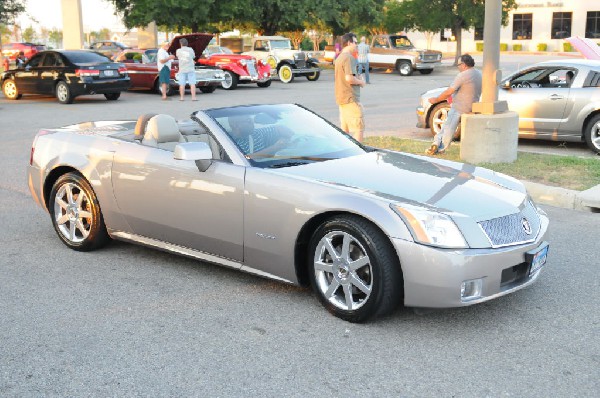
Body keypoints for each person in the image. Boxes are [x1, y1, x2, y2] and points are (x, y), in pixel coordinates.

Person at [426, 54, 482, 155]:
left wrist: (436, 99)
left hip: (460, 107)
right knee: (446, 128)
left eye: (458, 65)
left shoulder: (463, 75)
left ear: (464, 65)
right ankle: (436, 143)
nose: (458, 67)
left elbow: (449, 91)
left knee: (448, 128)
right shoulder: (479, 73)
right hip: (472, 107)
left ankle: (440, 148)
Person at [334, 32, 366, 142]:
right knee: (358, 129)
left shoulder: (339, 58)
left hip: (342, 99)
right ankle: (358, 155)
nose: (356, 45)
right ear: (349, 43)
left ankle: (347, 153)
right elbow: (349, 78)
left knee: (345, 131)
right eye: (355, 43)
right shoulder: (348, 58)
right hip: (350, 98)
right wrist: (361, 82)